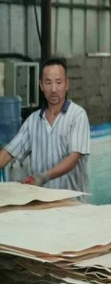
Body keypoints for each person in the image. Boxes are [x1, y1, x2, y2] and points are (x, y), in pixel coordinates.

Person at [0, 57, 90, 193]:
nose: (53, 89)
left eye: (58, 82)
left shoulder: (77, 116)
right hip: (41, 200)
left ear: (66, 84)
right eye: (48, 82)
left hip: (72, 200)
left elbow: (73, 158)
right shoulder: (33, 120)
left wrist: (43, 177)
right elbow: (9, 152)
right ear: (41, 85)